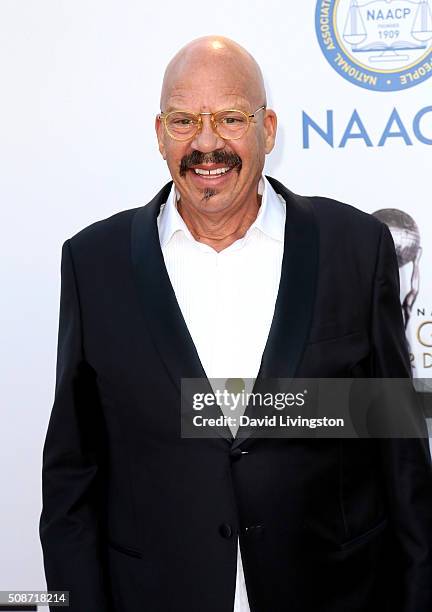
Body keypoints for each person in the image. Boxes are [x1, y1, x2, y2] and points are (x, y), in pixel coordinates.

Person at [39, 35, 432, 612]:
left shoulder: (354, 246)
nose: (205, 143)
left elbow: (399, 456)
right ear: (158, 133)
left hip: (336, 594)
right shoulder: (93, 264)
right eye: (183, 121)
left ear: (267, 128)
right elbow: (73, 475)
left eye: (228, 118)